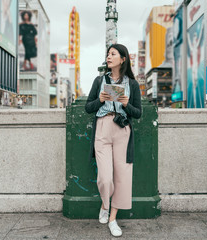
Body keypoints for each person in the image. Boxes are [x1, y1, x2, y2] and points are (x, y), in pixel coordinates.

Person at [85, 44, 142, 237]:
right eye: (108, 54)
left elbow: (138, 113)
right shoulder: (100, 80)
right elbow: (88, 107)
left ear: (123, 59)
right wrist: (100, 100)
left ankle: (112, 218)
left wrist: (126, 104)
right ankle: (104, 203)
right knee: (105, 178)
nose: (109, 57)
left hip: (122, 129)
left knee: (122, 177)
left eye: (113, 54)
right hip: (103, 127)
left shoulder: (132, 84)